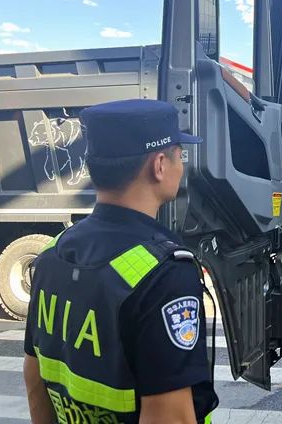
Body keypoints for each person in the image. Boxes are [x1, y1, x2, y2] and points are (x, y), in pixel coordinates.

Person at [23, 99, 218, 424]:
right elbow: (169, 419)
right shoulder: (164, 275)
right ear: (159, 165)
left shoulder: (52, 255)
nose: (182, 166)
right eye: (180, 155)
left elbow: (34, 378)